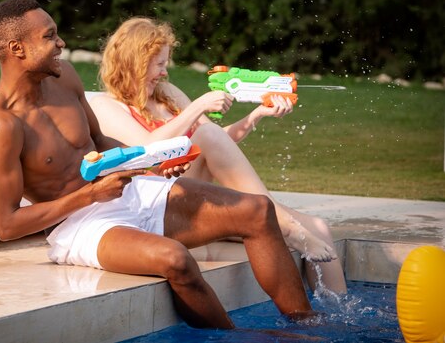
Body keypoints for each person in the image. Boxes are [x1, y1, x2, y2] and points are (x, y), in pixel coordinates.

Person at [0, 0, 314, 330]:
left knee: (256, 210)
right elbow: (6, 225)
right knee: (176, 260)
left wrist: (153, 161)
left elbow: (100, 142)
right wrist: (91, 195)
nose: (61, 43)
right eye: (49, 36)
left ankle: (307, 329)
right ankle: (230, 339)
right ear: (17, 48)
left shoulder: (63, 78)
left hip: (128, 188)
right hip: (81, 224)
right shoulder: (1, 125)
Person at [89, 17, 347, 294]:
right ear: (135, 62)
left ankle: (336, 316)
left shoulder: (166, 95)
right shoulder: (106, 107)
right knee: (206, 134)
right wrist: (198, 106)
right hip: (163, 209)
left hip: (199, 199)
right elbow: (149, 148)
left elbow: (218, 143)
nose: (165, 73)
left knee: (319, 227)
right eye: (160, 64)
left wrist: (256, 116)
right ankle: (287, 227)